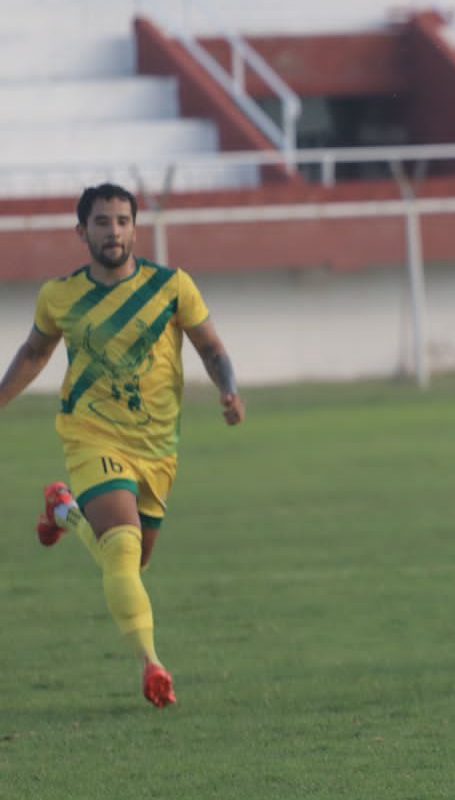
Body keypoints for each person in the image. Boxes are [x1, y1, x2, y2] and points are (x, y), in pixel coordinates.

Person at [0, 183, 246, 708]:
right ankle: (152, 664)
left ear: (135, 227)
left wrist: (228, 388)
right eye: (102, 222)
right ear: (81, 231)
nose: (113, 231)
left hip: (158, 447)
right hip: (91, 434)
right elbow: (34, 352)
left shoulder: (172, 287)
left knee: (131, 564)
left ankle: (63, 512)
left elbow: (212, 348)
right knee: (122, 546)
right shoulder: (60, 296)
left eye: (121, 221)